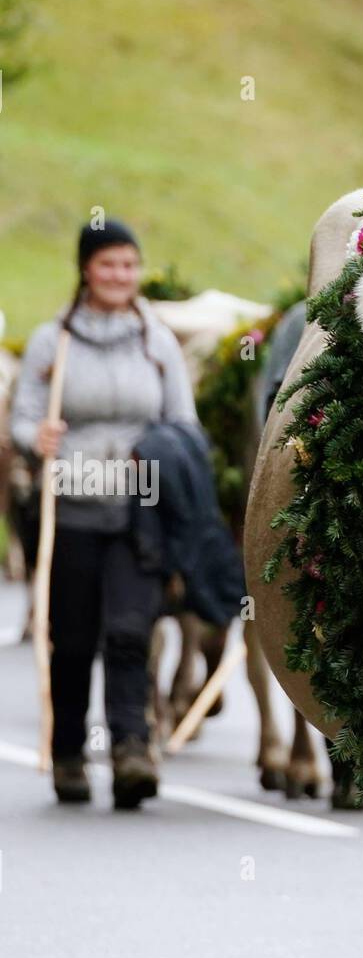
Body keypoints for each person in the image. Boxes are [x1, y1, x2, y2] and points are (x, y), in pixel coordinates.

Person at [10, 218, 200, 808]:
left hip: (138, 506)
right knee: (71, 640)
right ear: (86, 270)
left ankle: (131, 752)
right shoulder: (53, 341)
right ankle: (68, 753)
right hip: (70, 505)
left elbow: (182, 422)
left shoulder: (156, 340)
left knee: (129, 632)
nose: (121, 275)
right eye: (108, 264)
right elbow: (22, 417)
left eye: (129, 264)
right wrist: (33, 437)